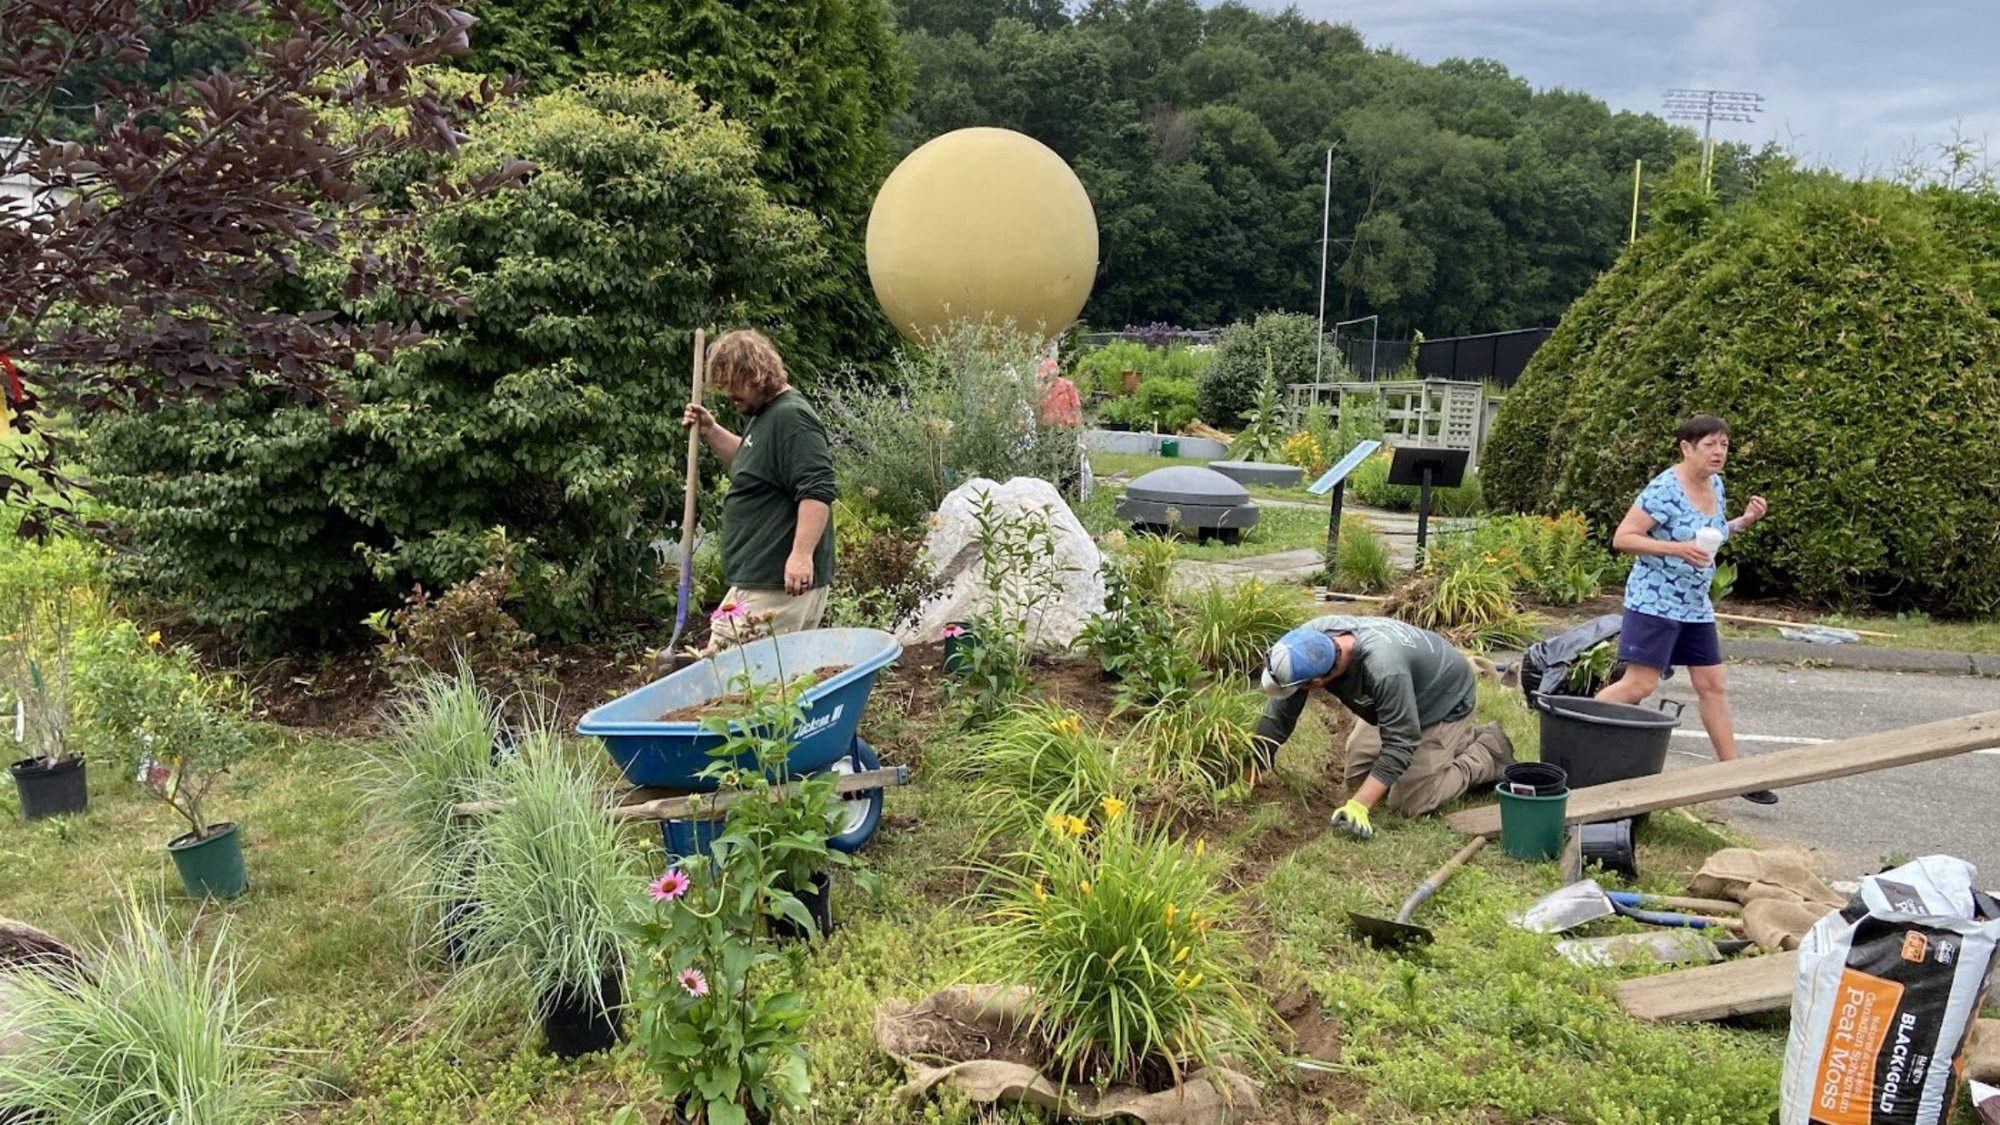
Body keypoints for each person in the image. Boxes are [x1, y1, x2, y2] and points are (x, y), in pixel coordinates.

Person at [1595, 413, 1773, 801]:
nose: (1719, 452)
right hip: (1655, 601)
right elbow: (1623, 538)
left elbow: (1711, 533)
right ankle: (1575, 731)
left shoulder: (1715, 485)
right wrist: (1677, 549)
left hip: (1694, 606)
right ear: (1686, 448)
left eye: (1724, 444)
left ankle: (1736, 776)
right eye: (1710, 444)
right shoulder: (1664, 489)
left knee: (1713, 684)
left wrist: (1744, 520)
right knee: (1638, 685)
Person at [1255, 616, 1515, 839]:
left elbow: (1401, 743)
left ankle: (1486, 752)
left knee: (1409, 801)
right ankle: (1445, 749)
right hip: (1398, 697)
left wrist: (1359, 806)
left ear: (1317, 681)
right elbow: (1280, 715)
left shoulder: (1383, 669)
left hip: (1442, 699)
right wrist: (1253, 763)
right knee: (1358, 777)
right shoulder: (1306, 642)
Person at [681, 329, 836, 649]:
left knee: (723, 676)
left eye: (733, 384)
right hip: (761, 580)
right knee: (763, 684)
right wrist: (711, 430)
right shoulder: (767, 415)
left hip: (775, 584)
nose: (727, 393)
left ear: (755, 375)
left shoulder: (792, 418)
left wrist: (801, 556)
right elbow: (753, 462)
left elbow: (817, 490)